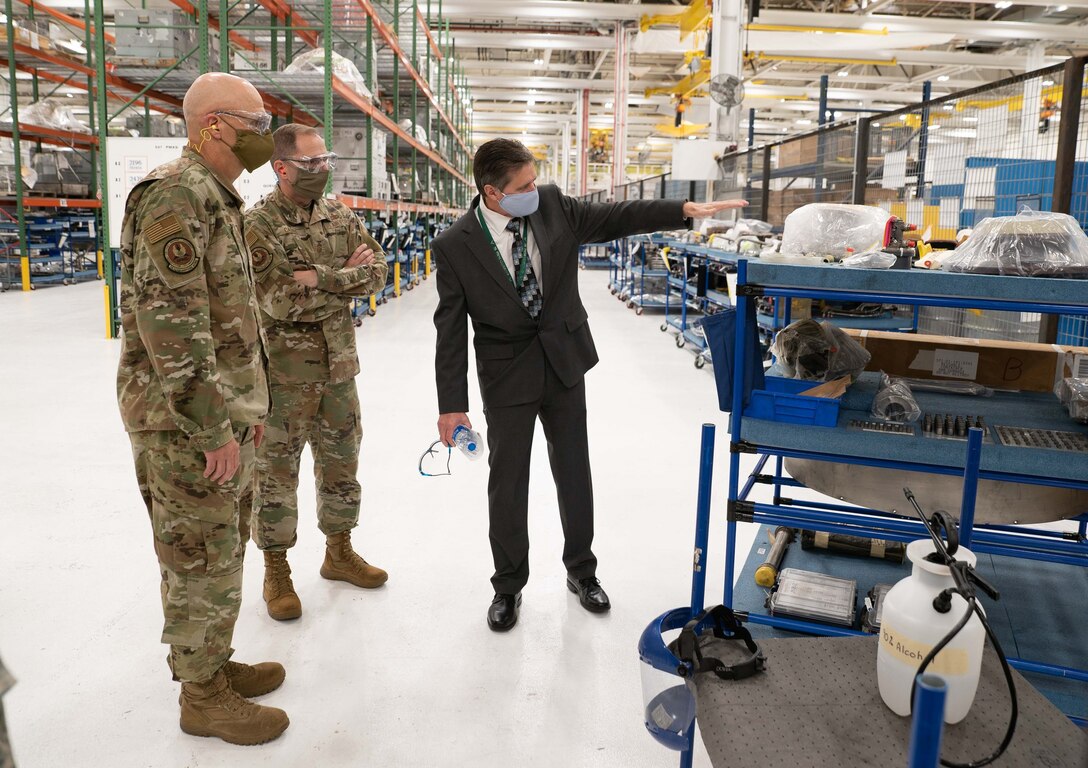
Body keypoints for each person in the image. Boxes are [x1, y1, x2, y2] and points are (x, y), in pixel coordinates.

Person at [433, 138, 748, 632]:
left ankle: (582, 571)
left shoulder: (554, 205)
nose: (534, 190)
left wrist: (682, 210)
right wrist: (452, 404)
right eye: (524, 187)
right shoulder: (455, 245)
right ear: (493, 194)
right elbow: (449, 329)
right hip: (506, 376)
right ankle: (508, 585)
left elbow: (616, 215)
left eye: (535, 181)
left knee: (574, 471)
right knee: (507, 483)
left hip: (564, 364)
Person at [116, 72, 288, 745]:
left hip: (221, 412)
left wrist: (252, 404)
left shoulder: (218, 199)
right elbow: (172, 330)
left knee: (222, 549)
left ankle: (214, 664)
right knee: (197, 556)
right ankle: (201, 695)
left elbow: (233, 321)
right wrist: (214, 426)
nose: (262, 136)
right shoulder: (175, 197)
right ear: (213, 124)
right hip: (185, 425)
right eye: (254, 122)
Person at [245, 124, 390, 621]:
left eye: (326, 160)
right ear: (281, 167)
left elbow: (379, 272)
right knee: (276, 474)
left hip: (339, 370)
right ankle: (276, 568)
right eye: (311, 164)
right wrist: (345, 280)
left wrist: (324, 277)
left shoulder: (337, 214)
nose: (322, 170)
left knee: (341, 464)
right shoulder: (258, 224)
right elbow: (279, 299)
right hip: (284, 377)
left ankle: (339, 552)